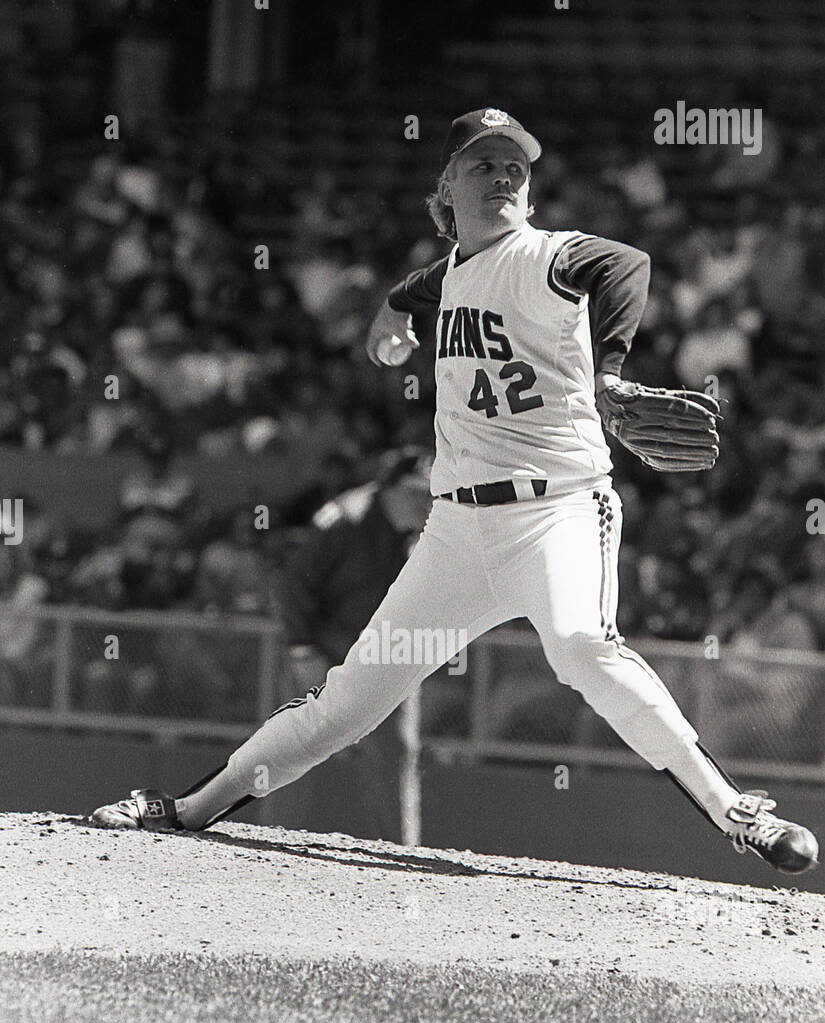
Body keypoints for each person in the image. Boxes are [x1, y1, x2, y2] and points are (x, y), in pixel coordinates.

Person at [91, 109, 818, 875]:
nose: (503, 176)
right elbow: (425, 285)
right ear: (446, 186)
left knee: (580, 647)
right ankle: (187, 808)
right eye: (483, 164)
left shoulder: (548, 254)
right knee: (347, 704)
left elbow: (624, 266)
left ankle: (737, 814)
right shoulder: (456, 270)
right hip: (457, 536)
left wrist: (606, 372)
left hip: (557, 512)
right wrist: (392, 314)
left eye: (516, 167)